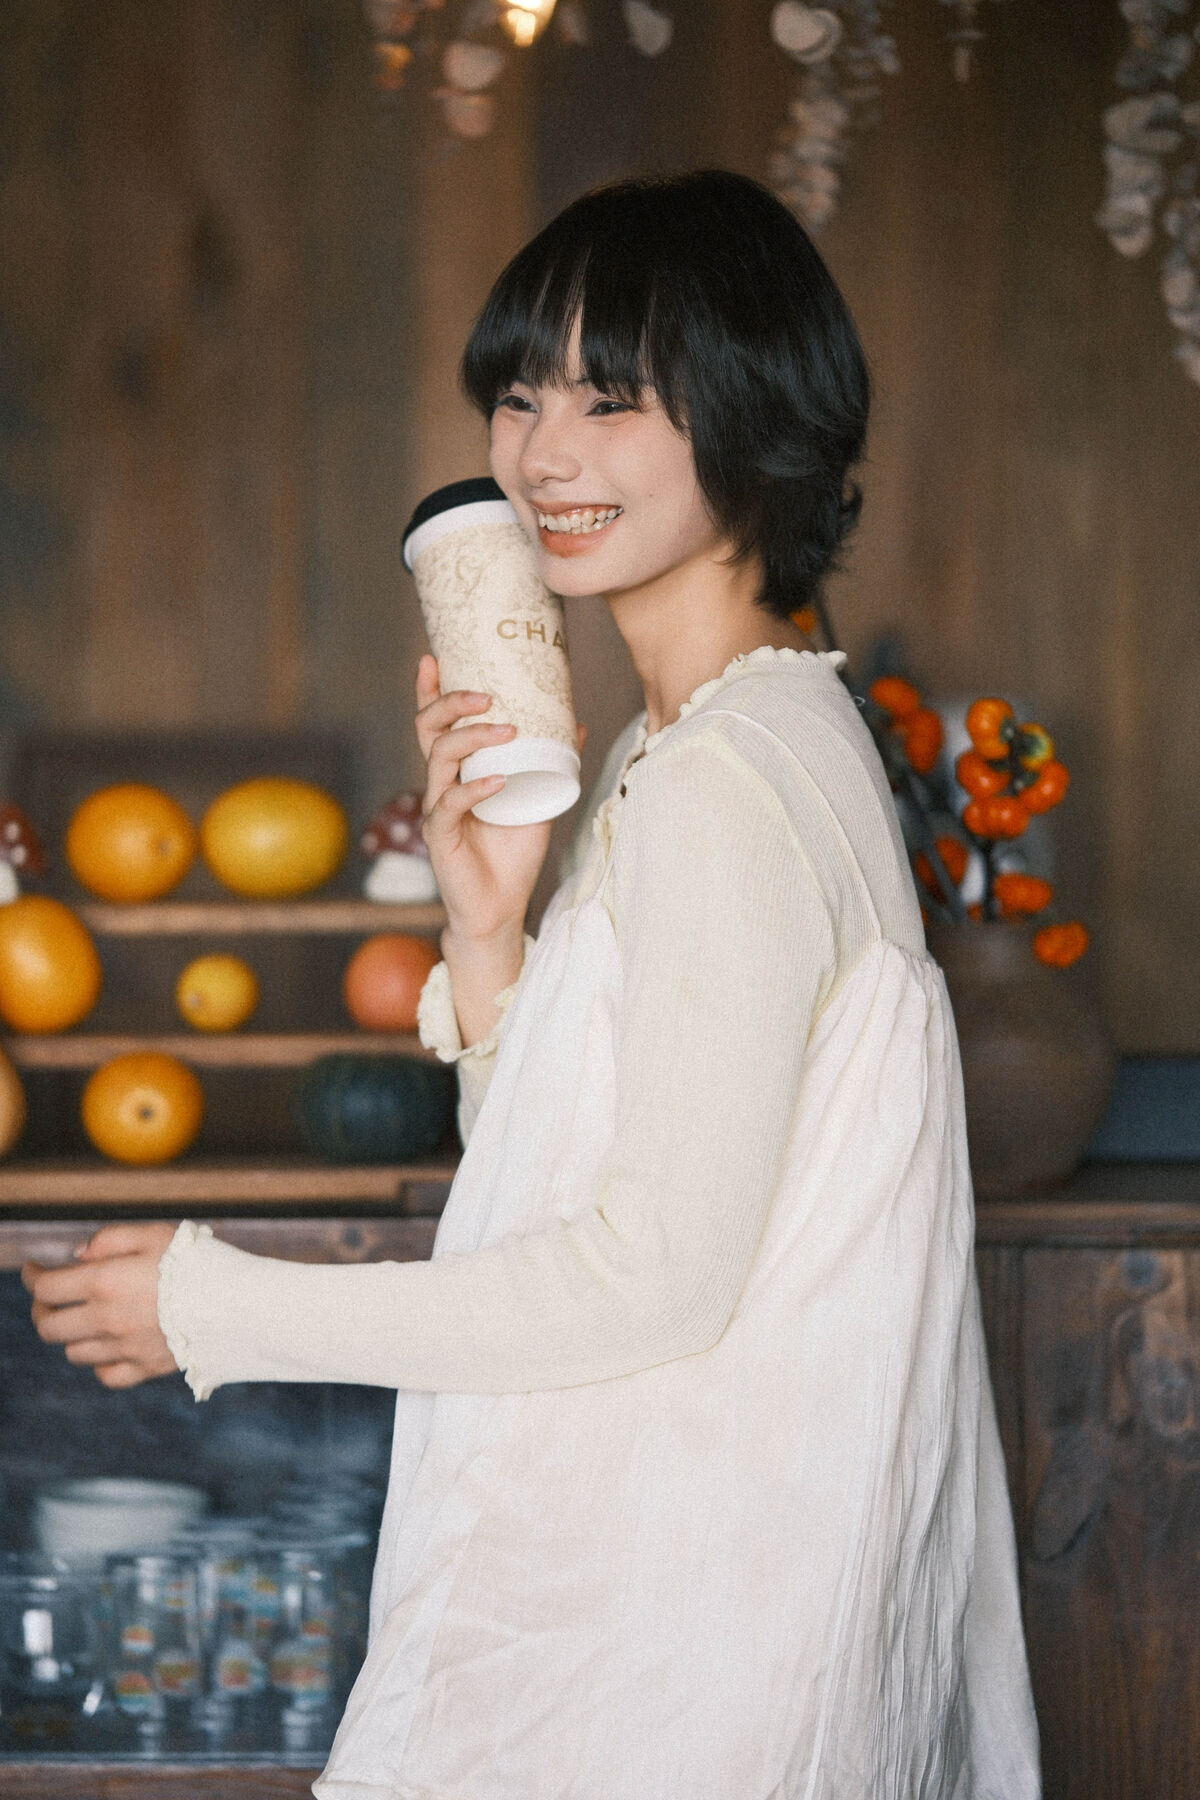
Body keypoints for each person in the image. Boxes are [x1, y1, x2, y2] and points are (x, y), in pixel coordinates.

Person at [24, 169, 1040, 1798]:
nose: (544, 454)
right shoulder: (695, 742)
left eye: (612, 399)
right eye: (521, 395)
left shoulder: (727, 782)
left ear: (756, 415)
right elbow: (571, 1169)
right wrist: (490, 932)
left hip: (678, 1625)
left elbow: (654, 1278)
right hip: (669, 1585)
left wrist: (220, 1306)